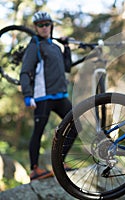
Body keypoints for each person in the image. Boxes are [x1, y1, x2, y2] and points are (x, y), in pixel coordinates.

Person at [20, 11, 72, 181]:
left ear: (51, 26)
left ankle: (59, 163)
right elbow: (25, 72)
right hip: (43, 97)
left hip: (60, 96)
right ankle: (34, 170)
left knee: (76, 123)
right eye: (40, 25)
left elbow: (67, 68)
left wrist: (67, 48)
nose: (44, 27)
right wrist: (28, 95)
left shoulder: (55, 47)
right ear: (36, 27)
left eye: (47, 24)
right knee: (38, 132)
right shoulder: (35, 45)